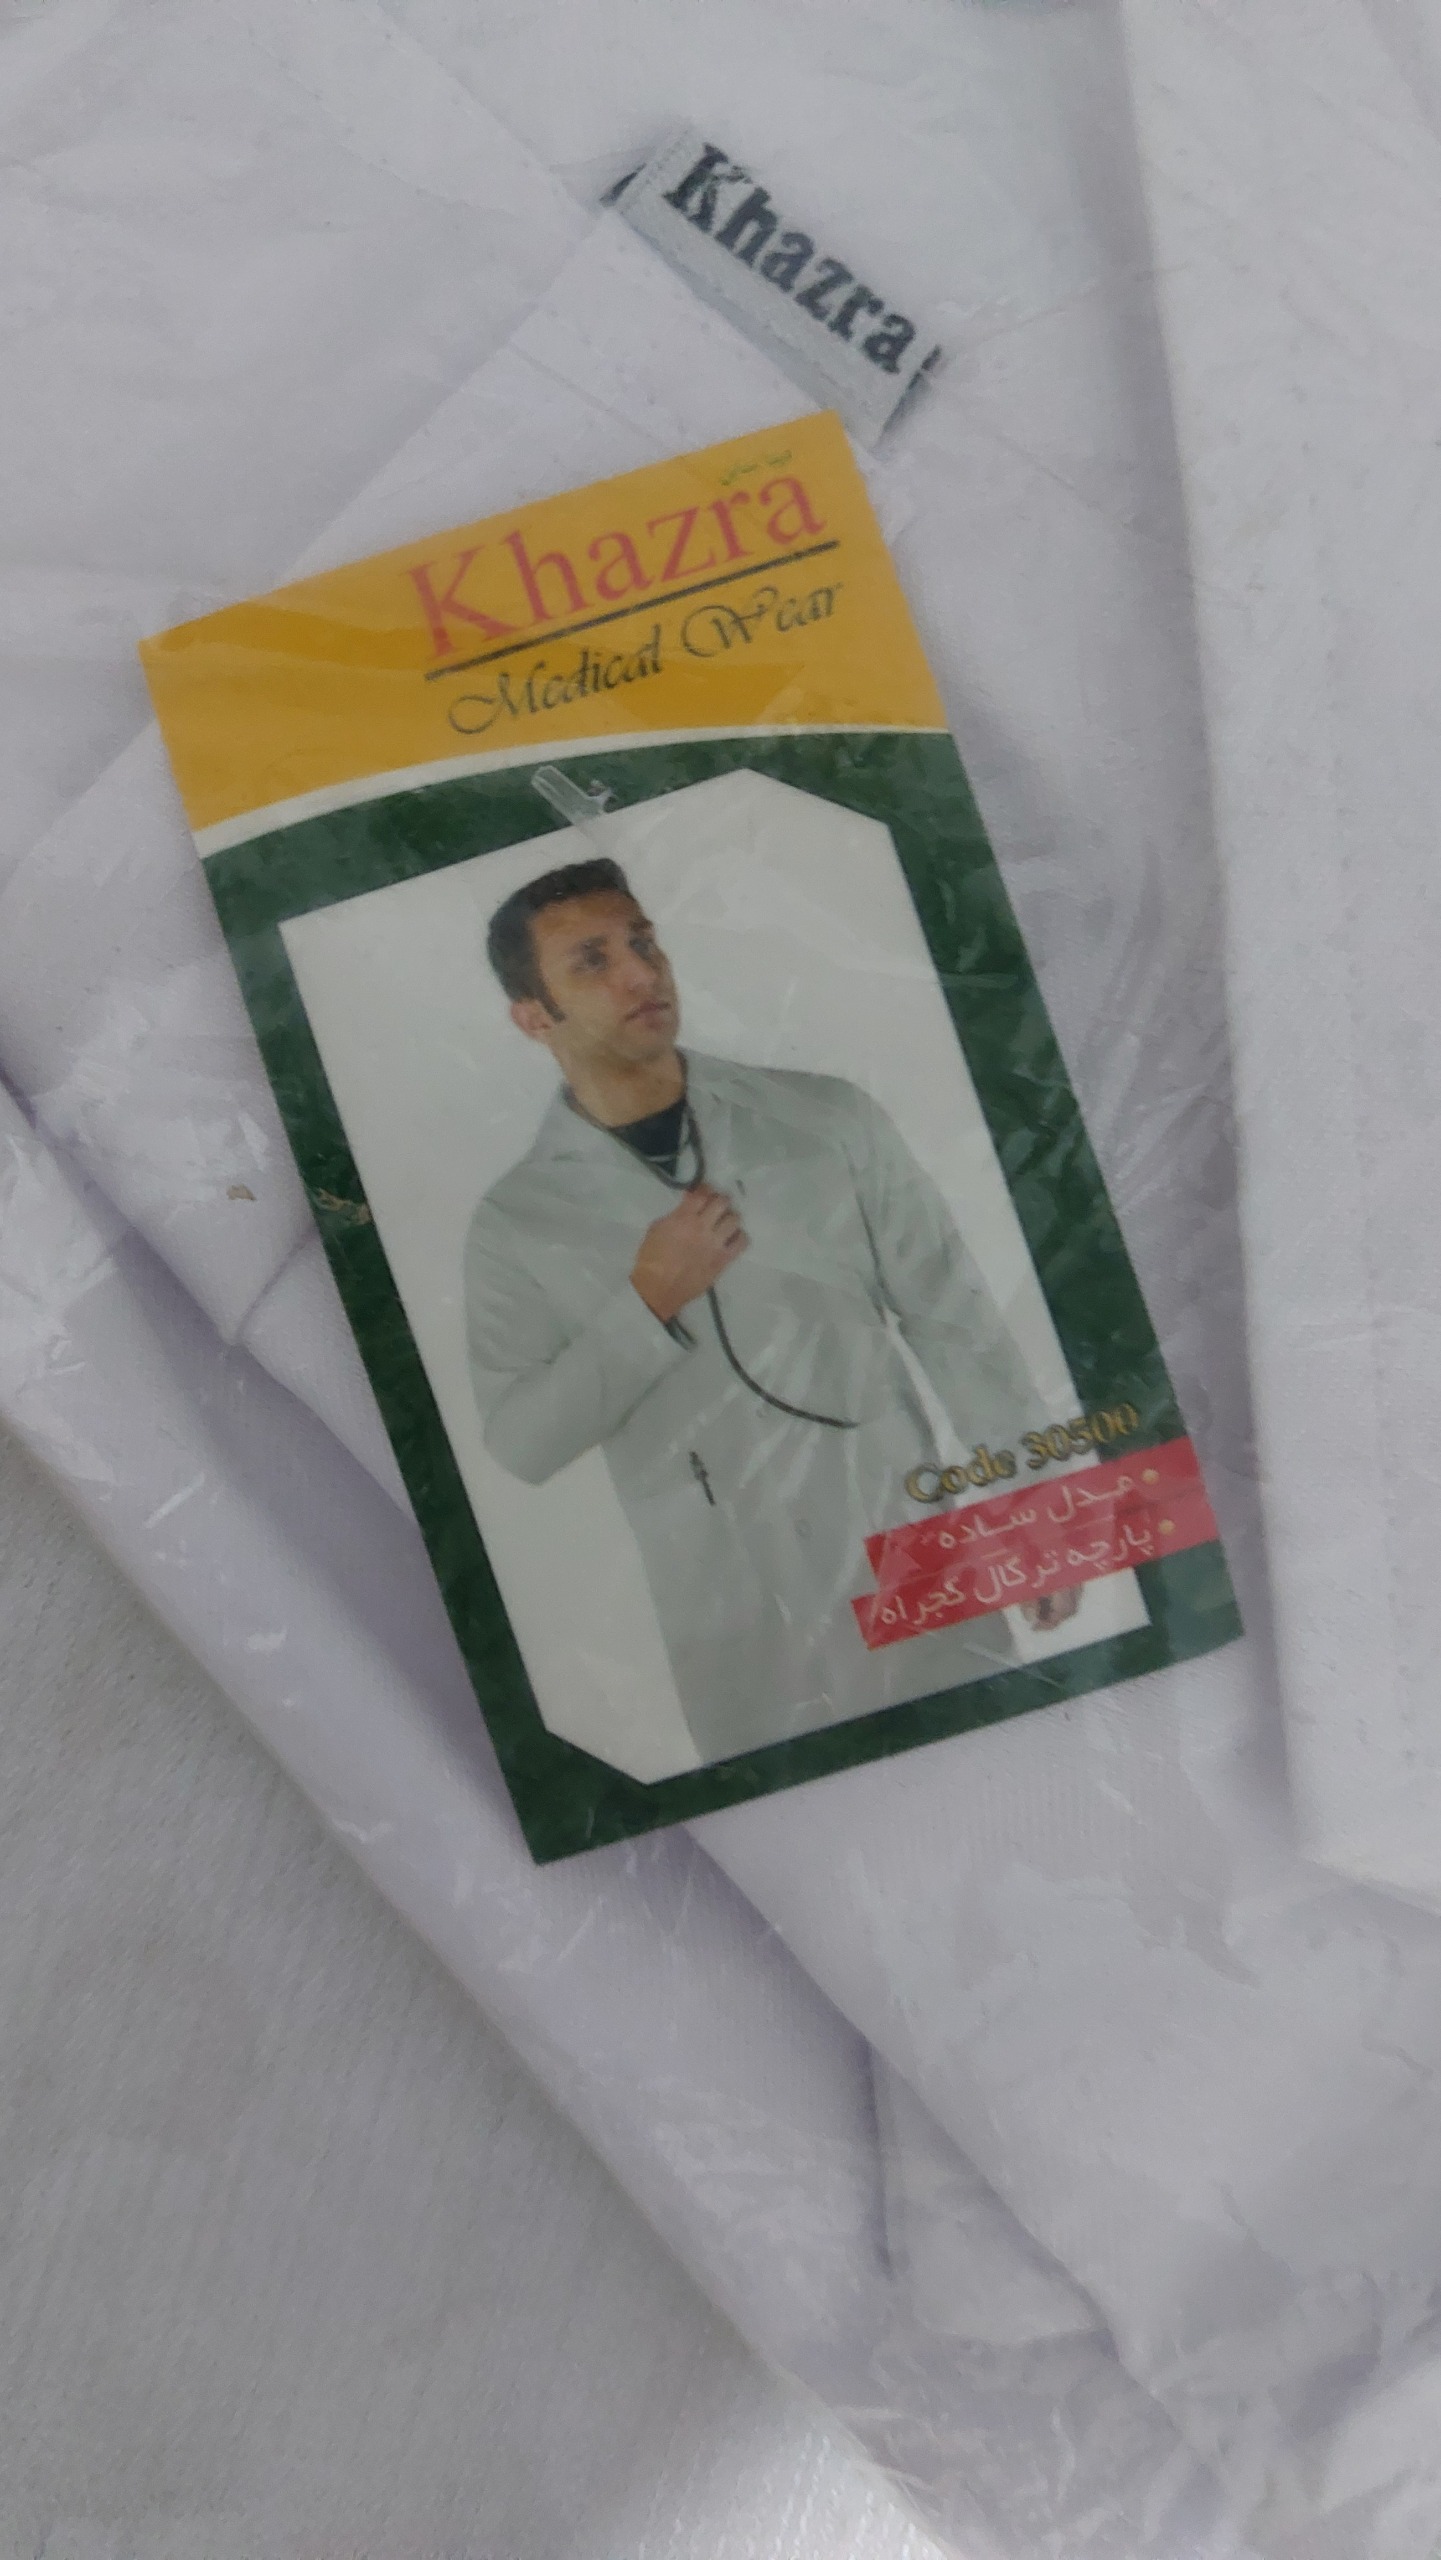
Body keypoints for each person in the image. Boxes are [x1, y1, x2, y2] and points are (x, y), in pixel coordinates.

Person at [465, 856, 1077, 1764]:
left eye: (643, 943)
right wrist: (646, 1302)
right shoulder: (518, 1222)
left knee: (1005, 1774)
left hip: (907, 1556)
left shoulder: (826, 1120)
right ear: (532, 1017)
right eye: (591, 961)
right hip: (736, 1625)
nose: (639, 973)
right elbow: (522, 1443)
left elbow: (951, 1317)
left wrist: (1032, 1502)